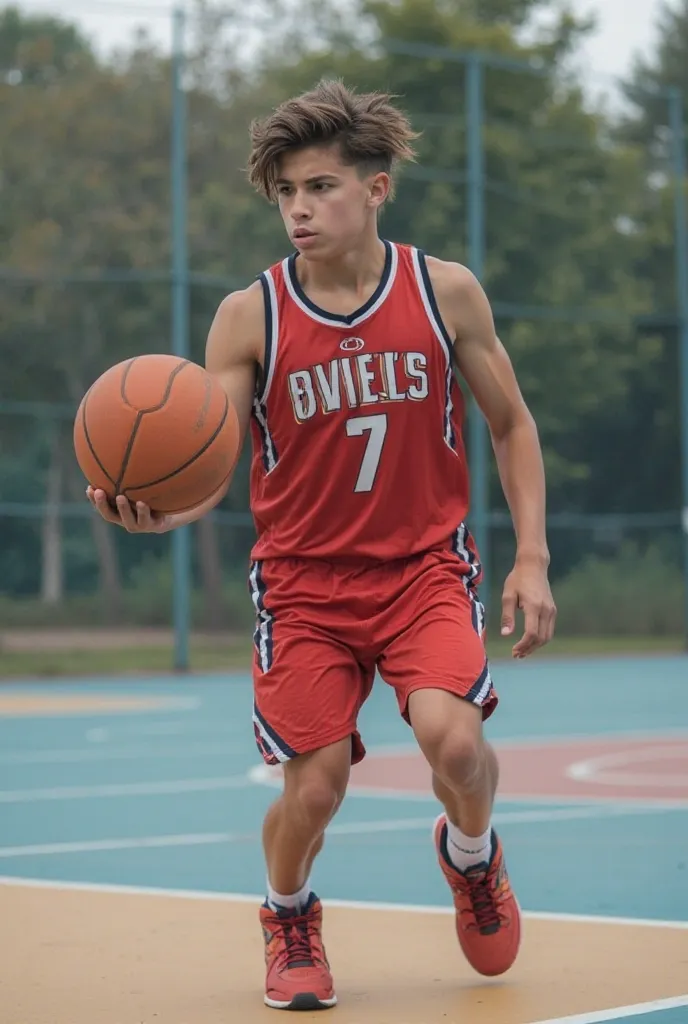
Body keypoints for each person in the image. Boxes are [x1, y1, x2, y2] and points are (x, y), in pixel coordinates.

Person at [88, 78, 557, 1012]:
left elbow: (510, 425)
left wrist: (533, 557)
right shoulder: (248, 315)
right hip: (303, 586)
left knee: (455, 745)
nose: (298, 209)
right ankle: (289, 914)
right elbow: (208, 464)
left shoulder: (443, 292)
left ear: (376, 189)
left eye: (319, 188)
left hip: (423, 568)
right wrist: (160, 512)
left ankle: (471, 856)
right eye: (285, 194)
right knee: (316, 790)